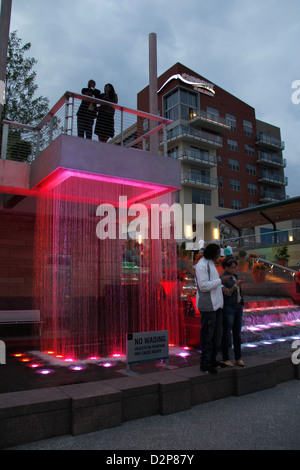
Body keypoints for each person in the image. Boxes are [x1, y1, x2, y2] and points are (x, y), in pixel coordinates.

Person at [194, 243, 230, 374]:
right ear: (212, 254)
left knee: (216, 335)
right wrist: (221, 282)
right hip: (208, 306)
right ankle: (205, 363)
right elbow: (203, 286)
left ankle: (213, 359)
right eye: (217, 254)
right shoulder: (201, 266)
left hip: (217, 305)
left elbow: (213, 281)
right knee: (207, 335)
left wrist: (221, 287)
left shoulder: (210, 264)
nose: (218, 256)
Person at [220, 257, 245, 367]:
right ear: (226, 267)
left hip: (238, 306)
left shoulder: (235, 276)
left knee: (237, 333)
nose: (234, 270)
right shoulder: (223, 278)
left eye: (235, 268)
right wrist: (236, 285)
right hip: (229, 307)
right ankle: (226, 358)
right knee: (226, 333)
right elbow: (227, 293)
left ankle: (238, 357)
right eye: (232, 268)